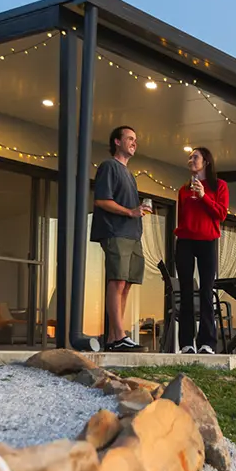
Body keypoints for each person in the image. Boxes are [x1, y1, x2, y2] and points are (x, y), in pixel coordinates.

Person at [91, 125, 148, 351]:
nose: (134, 142)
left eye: (135, 139)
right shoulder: (109, 167)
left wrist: (137, 211)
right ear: (117, 141)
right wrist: (130, 212)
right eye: (129, 138)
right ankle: (118, 335)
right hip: (115, 232)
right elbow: (102, 200)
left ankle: (116, 338)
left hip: (133, 234)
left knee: (126, 284)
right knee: (117, 281)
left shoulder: (130, 174)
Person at [174, 146, 229, 354]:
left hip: (208, 241)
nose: (191, 160)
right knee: (186, 291)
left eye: (195, 157)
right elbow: (182, 218)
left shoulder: (220, 186)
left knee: (206, 291)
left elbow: (221, 214)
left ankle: (207, 343)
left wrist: (204, 195)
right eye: (189, 157)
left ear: (205, 161)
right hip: (186, 241)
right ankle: (186, 343)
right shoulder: (183, 190)